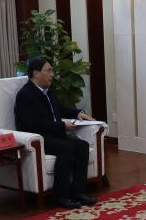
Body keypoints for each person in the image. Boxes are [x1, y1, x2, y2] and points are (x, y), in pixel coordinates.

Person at [14, 57, 98, 209]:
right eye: (48, 70)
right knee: (66, 148)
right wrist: (62, 126)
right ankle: (60, 196)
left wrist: (78, 113)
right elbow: (35, 124)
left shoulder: (47, 91)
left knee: (82, 145)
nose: (52, 74)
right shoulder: (25, 95)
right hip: (38, 137)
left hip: (54, 134)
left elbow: (59, 108)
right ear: (36, 73)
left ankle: (77, 191)